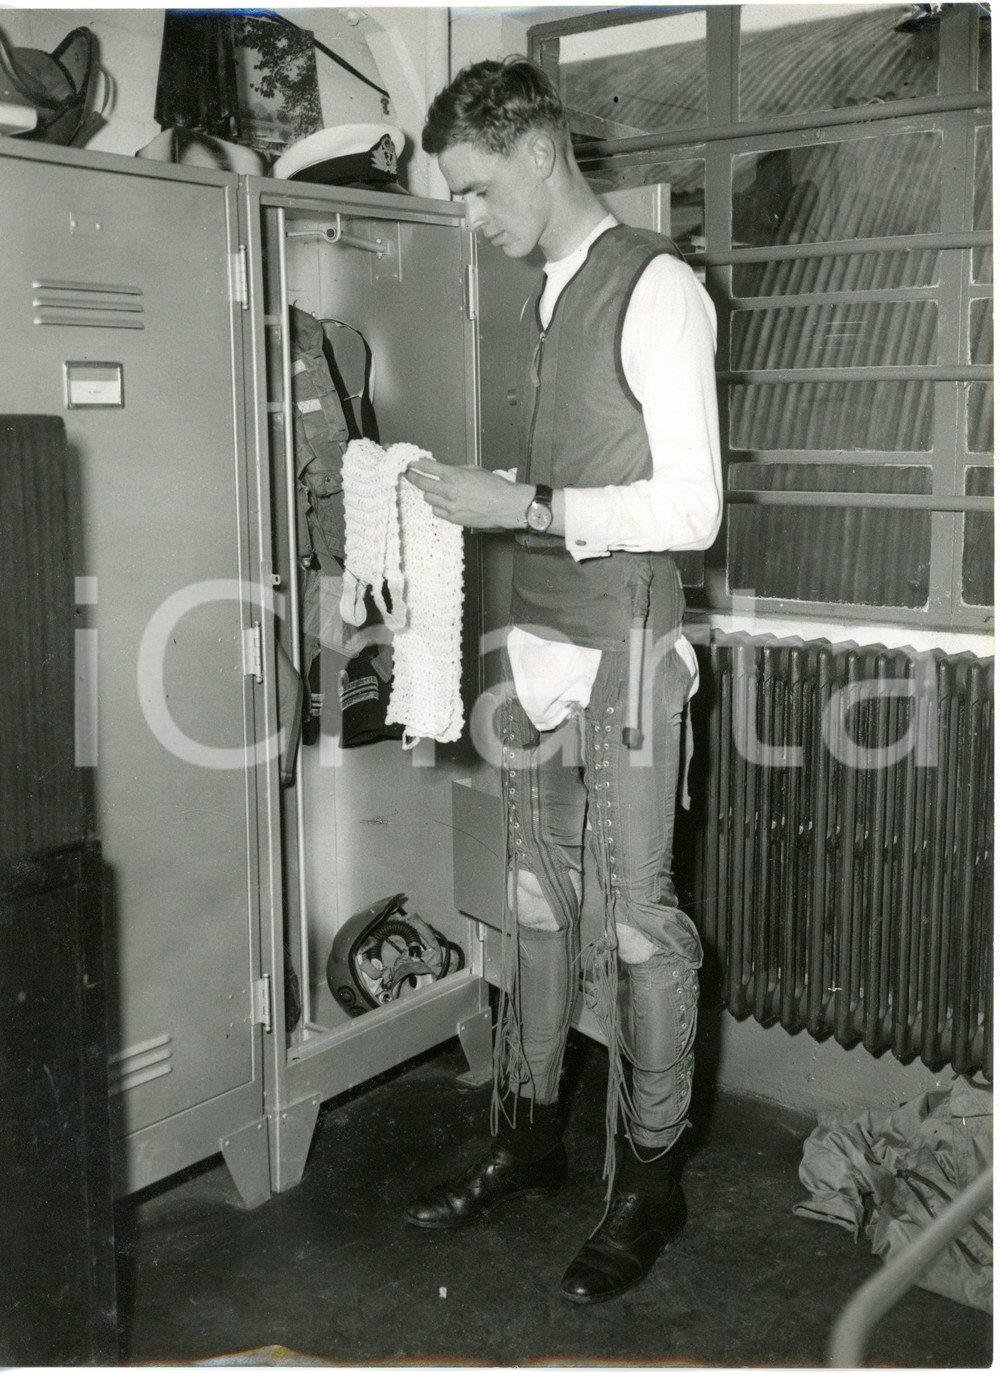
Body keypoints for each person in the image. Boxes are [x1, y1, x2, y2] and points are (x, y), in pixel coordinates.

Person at [403, 56, 722, 1305]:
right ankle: (529, 1136)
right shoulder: (544, 294)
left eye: (478, 191)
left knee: (637, 924)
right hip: (536, 650)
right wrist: (465, 497)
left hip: (631, 649)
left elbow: (689, 510)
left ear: (538, 150)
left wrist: (520, 501)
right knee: (535, 907)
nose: (470, 221)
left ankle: (648, 1181)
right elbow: (572, 477)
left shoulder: (660, 288)